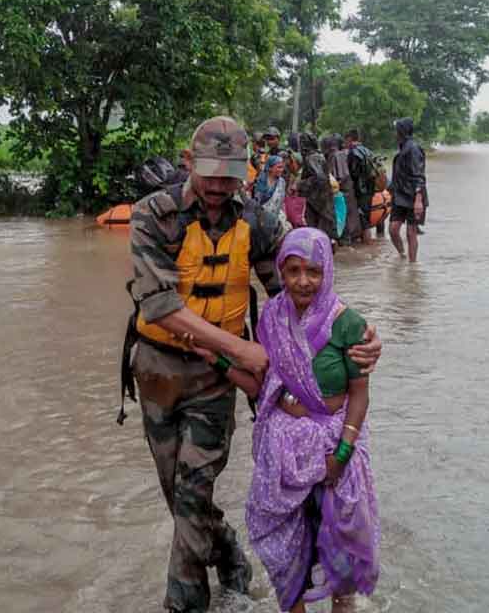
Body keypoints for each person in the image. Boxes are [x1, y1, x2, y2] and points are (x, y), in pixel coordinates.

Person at [124, 116, 382, 613]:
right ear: (187, 163)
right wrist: (244, 348)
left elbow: (300, 299)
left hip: (215, 379)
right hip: (158, 370)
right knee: (177, 497)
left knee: (193, 492)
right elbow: (157, 305)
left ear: (246, 170)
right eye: (211, 174)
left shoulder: (259, 222)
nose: (221, 187)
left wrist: (361, 335)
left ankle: (185, 605)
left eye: (231, 175)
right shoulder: (153, 215)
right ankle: (232, 557)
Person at [242, 227, 381, 612]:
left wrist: (342, 452)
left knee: (339, 546)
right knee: (288, 547)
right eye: (294, 271)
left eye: (314, 271)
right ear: (281, 273)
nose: (304, 282)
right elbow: (261, 383)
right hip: (284, 451)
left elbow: (359, 393)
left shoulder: (348, 324)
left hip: (333, 448)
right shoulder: (271, 317)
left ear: (328, 272)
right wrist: (214, 357)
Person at [390, 117, 428, 262]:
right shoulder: (403, 147)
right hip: (400, 197)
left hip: (413, 196)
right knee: (393, 230)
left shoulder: (413, 149)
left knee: (411, 233)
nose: (394, 134)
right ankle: (402, 255)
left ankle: (413, 266)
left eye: (396, 131)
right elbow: (399, 175)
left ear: (402, 131)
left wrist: (418, 200)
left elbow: (419, 175)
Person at [344, 129, 375, 244]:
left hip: (360, 191)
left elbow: (352, 174)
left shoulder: (353, 153)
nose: (345, 144)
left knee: (364, 221)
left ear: (349, 139)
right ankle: (366, 246)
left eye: (345, 141)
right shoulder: (368, 151)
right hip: (370, 190)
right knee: (366, 218)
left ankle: (367, 248)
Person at [252, 154, 288, 222]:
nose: (281, 170)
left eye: (282, 167)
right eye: (279, 167)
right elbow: (257, 201)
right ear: (270, 168)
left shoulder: (282, 182)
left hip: (275, 217)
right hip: (261, 217)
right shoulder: (261, 180)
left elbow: (282, 202)